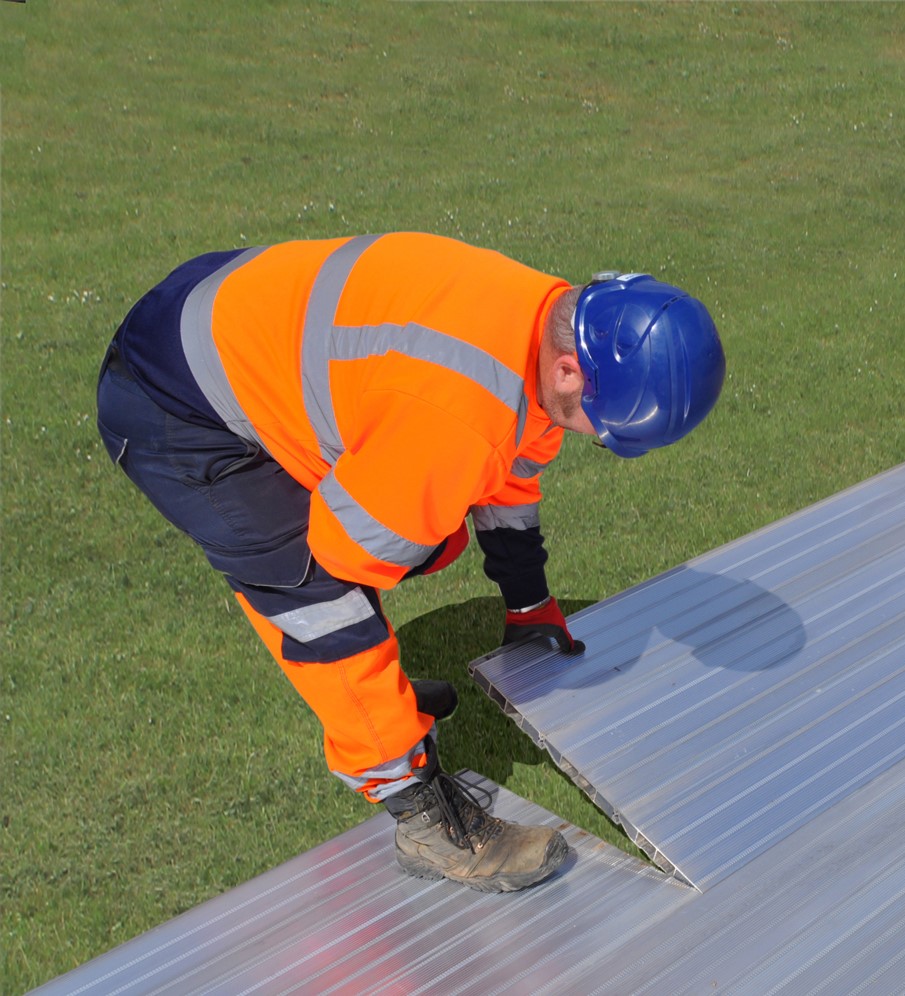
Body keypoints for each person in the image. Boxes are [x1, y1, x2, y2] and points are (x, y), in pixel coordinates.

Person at [95, 232, 726, 893]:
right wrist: (434, 528)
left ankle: (391, 705)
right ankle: (421, 812)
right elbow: (341, 553)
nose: (598, 439)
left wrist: (528, 598)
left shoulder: (541, 321)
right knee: (317, 597)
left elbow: (514, 458)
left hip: (228, 310)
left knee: (415, 499)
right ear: (570, 371)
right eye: (606, 428)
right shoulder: (458, 414)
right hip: (174, 402)